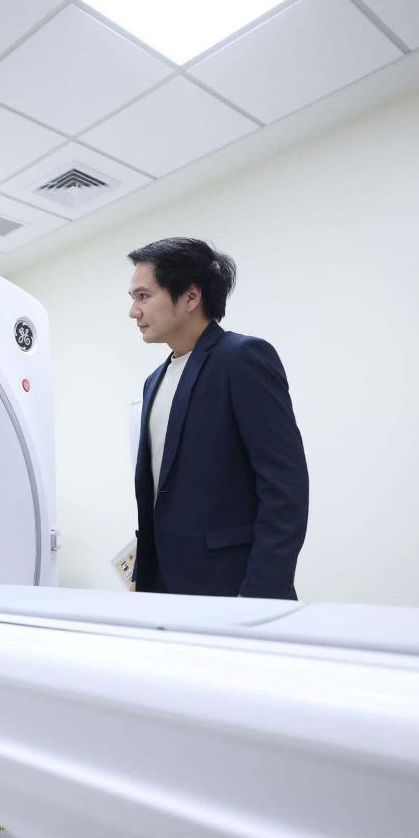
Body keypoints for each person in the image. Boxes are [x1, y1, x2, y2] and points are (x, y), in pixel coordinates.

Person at [127, 237, 308, 598]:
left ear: (191, 297)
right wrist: (143, 574)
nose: (134, 311)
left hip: (233, 590)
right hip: (163, 592)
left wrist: (258, 596)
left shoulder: (242, 359)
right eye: (133, 298)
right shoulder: (153, 382)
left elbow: (285, 489)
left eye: (143, 296)